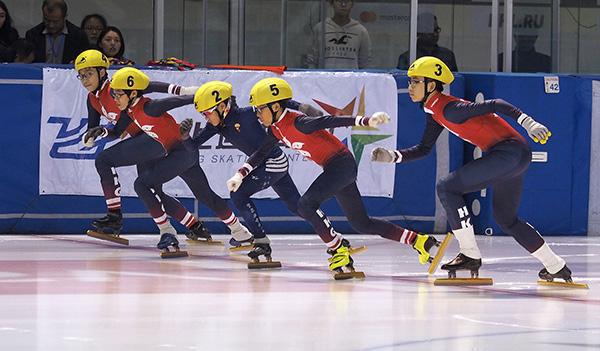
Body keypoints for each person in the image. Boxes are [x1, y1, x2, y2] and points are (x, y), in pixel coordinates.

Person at [371, 56, 573, 283]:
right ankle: (555, 266)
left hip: (507, 153)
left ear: (431, 85)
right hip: (513, 155)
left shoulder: (450, 108)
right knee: (506, 219)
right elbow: (424, 148)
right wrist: (393, 157)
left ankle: (469, 254)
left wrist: (528, 122)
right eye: (409, 82)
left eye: (415, 82)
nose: (410, 87)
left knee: (447, 187)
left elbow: (496, 103)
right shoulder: (435, 112)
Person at [226, 77, 439, 275]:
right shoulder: (275, 130)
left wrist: (365, 121)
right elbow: (261, 153)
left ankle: (338, 249)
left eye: (259, 110)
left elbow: (328, 121)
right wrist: (240, 174)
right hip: (334, 168)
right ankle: (419, 241)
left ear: (275, 106)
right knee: (361, 223)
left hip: (341, 166)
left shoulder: (298, 122)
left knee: (306, 204)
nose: (257, 115)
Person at [83, 67, 253, 252]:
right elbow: (116, 131)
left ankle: (167, 232)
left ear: (132, 94)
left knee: (143, 185)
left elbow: (180, 100)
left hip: (181, 152)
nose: (114, 99)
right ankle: (240, 232)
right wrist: (102, 131)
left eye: (118, 94)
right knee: (203, 195)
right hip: (181, 152)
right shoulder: (128, 111)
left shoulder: (151, 107)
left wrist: (212, 95)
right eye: (113, 94)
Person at [180, 81, 333, 264]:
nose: (205, 118)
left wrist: (302, 107)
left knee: (238, 194)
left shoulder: (247, 114)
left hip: (273, 161)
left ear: (222, 106)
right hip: (260, 164)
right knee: (297, 206)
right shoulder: (216, 126)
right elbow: (194, 146)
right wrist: (185, 137)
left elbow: (275, 102)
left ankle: (261, 241)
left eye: (206, 113)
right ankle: (335, 238)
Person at [74, 49, 214, 243]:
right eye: (80, 75)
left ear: (102, 71)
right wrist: (93, 135)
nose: (85, 79)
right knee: (152, 191)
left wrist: (182, 91)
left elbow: (150, 86)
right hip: (143, 140)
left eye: (89, 73)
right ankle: (195, 226)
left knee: (104, 160)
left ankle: (114, 217)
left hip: (152, 137)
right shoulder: (92, 99)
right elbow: (101, 130)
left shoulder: (116, 86)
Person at [305, 0, 371, 69]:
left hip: (351, 78)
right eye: (339, 1)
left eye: (347, 1)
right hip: (325, 78)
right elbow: (312, 60)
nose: (343, 4)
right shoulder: (320, 28)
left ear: (352, 4)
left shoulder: (361, 31)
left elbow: (365, 63)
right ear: (332, 3)